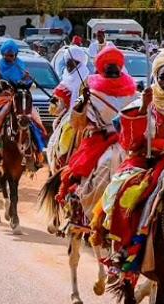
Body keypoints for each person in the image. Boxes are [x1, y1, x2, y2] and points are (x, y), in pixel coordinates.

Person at [94, 48, 164, 274]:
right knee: (124, 191)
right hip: (148, 161)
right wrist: (144, 108)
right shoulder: (142, 102)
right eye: (162, 77)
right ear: (155, 76)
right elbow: (130, 142)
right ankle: (125, 248)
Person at [55, 46, 138, 213]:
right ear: (102, 70)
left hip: (128, 140)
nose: (113, 70)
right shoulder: (91, 93)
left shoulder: (134, 93)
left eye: (116, 67)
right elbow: (76, 123)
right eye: (109, 67)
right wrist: (81, 102)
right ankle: (81, 200)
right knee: (92, 167)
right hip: (100, 139)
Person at [0, 39, 48, 168]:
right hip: (1, 101)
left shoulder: (21, 67)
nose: (9, 58)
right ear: (3, 55)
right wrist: (0, 89)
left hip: (19, 99)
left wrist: (27, 80)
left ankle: (36, 153)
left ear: (16, 55)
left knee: (34, 121)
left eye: (11, 55)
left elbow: (28, 86)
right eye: (6, 55)